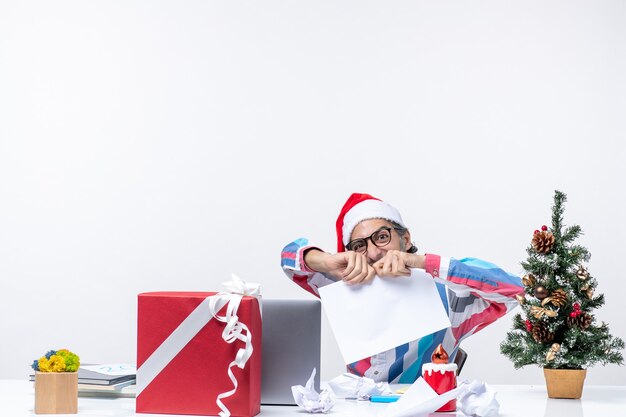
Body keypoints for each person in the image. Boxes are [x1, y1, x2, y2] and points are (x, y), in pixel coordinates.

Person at [280, 192, 524, 383]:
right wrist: (327, 260)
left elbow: (516, 290)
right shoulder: (343, 287)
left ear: (405, 239)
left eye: (382, 237)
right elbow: (289, 258)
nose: (374, 252)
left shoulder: (449, 300)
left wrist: (423, 262)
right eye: (359, 245)